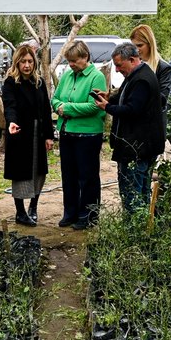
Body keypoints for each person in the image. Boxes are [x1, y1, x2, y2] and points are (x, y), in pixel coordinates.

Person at [92, 42, 164, 214]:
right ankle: (141, 229)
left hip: (137, 148)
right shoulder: (138, 74)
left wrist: (107, 107)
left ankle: (134, 232)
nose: (117, 70)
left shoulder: (142, 80)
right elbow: (130, 98)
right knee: (140, 192)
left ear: (132, 60)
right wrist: (110, 97)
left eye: (119, 65)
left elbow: (132, 110)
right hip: (141, 147)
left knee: (133, 194)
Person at [50, 39, 106, 230]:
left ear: (85, 57)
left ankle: (88, 215)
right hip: (67, 132)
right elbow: (55, 98)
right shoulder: (67, 76)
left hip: (88, 135)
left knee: (87, 177)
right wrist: (59, 106)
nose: (71, 65)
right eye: (69, 61)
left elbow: (94, 106)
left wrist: (68, 108)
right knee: (69, 176)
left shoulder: (96, 77)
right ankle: (70, 212)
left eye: (74, 61)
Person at [2, 43, 54, 227]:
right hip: (20, 134)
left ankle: (33, 207)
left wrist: (49, 135)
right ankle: (20, 212)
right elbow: (10, 106)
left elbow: (46, 110)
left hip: (38, 134)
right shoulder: (10, 83)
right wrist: (12, 122)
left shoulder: (38, 82)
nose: (27, 65)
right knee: (21, 173)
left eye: (30, 61)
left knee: (38, 173)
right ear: (17, 62)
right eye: (23, 61)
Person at [129, 23, 171, 113]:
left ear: (150, 44)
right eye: (134, 46)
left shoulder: (163, 68)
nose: (136, 50)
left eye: (140, 45)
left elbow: (162, 99)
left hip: (153, 121)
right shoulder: (134, 65)